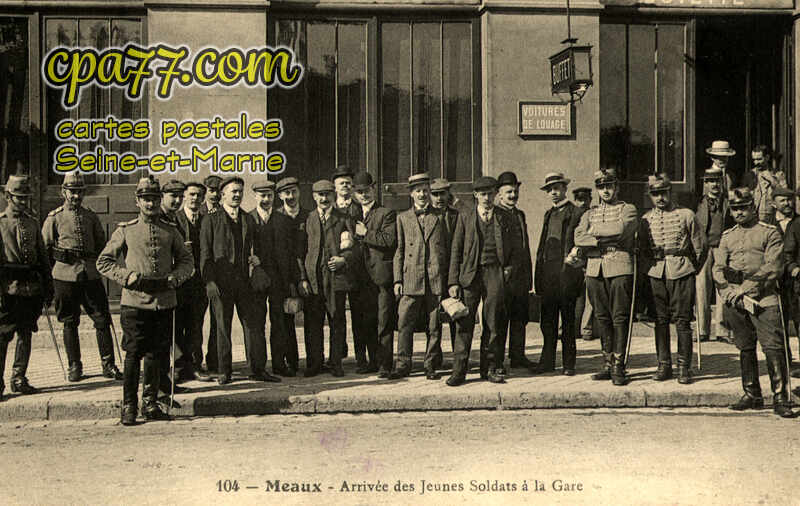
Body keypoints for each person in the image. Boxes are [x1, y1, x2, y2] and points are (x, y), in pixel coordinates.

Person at [96, 176, 194, 425]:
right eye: (145, 199)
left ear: (159, 200)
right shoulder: (125, 230)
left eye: (154, 199)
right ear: (137, 201)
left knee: (157, 354)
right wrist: (127, 276)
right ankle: (129, 405)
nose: (150, 204)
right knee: (133, 353)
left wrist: (175, 278)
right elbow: (103, 262)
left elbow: (187, 261)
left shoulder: (170, 230)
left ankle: (150, 402)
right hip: (134, 303)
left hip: (163, 302)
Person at [713, 187, 793, 418]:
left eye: (743, 207)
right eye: (735, 208)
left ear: (753, 207)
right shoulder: (727, 236)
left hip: (764, 299)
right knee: (745, 346)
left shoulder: (769, 233)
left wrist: (745, 289)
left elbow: (773, 267)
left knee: (773, 347)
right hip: (735, 302)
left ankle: (780, 398)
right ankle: (752, 393)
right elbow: (718, 268)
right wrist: (727, 291)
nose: (739, 212)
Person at [41, 172, 122, 383]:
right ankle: (74, 366)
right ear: (64, 192)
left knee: (102, 319)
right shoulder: (54, 218)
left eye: (79, 192)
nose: (75, 196)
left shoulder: (90, 216)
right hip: (64, 275)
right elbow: (44, 249)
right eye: (71, 192)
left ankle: (108, 364)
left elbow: (101, 243)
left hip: (90, 275)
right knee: (69, 321)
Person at [199, 176, 279, 385]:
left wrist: (257, 260)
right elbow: (205, 254)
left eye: (239, 192)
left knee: (252, 326)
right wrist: (209, 282)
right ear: (223, 194)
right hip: (221, 283)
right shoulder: (210, 219)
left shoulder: (247, 219)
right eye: (232, 191)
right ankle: (224, 371)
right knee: (222, 328)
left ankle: (258, 369)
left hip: (245, 283)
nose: (236, 195)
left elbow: (257, 246)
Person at [446, 176, 521, 386]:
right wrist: (453, 282)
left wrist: (508, 270)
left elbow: (517, 249)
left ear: (495, 194)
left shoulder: (505, 217)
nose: (487, 198)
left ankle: (489, 368)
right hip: (470, 274)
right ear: (475, 195)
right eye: (482, 194)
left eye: (490, 193)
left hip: (495, 273)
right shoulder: (465, 217)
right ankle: (458, 371)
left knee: (493, 321)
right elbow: (456, 250)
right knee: (464, 323)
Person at [574, 169, 638, 386]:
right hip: (594, 269)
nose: (605, 190)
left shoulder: (627, 209)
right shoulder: (588, 213)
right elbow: (578, 236)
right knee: (602, 317)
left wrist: (594, 233)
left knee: (619, 316)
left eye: (609, 186)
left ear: (616, 187)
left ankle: (620, 365)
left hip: (619, 267)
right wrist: (599, 239)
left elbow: (621, 229)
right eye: (601, 187)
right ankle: (607, 364)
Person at [640, 174, 705, 384]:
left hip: (681, 271)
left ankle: (684, 367)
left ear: (670, 192)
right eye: (655, 194)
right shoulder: (646, 219)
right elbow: (642, 250)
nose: (660, 198)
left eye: (663, 193)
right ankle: (664, 365)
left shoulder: (686, 215)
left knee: (683, 321)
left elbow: (700, 248)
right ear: (650, 196)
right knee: (660, 320)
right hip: (656, 272)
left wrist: (692, 269)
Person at [391, 173, 449, 380]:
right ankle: (403, 364)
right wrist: (398, 279)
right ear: (411, 194)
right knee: (404, 323)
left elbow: (448, 250)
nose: (422, 194)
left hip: (434, 279)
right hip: (411, 279)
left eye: (425, 190)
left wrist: (448, 280)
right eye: (418, 191)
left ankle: (431, 364)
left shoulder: (440, 217)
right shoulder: (403, 218)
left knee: (434, 326)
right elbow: (399, 250)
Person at [0, 175, 53, 399]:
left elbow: (42, 258)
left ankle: (19, 377)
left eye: (25, 198)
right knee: (3, 336)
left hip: (31, 289)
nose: (23, 202)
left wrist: (48, 287)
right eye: (18, 198)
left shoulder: (32, 222)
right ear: (7, 196)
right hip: (7, 289)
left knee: (26, 333)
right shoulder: (1, 223)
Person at [299, 179, 358, 377]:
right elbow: (299, 252)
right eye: (320, 195)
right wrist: (303, 278)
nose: (324, 198)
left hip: (336, 278)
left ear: (333, 195)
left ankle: (335, 363)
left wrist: (343, 259)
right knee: (313, 322)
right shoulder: (307, 219)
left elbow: (355, 247)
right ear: (314, 197)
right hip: (313, 278)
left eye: (327, 194)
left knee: (337, 320)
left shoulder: (344, 218)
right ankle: (315, 363)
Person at [533, 172, 584, 376]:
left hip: (567, 273)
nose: (553, 193)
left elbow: (581, 239)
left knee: (568, 320)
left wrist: (576, 253)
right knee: (548, 322)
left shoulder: (575, 212)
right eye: (550, 190)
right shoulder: (548, 214)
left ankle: (569, 364)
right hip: (549, 274)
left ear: (564, 189)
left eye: (557, 188)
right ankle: (547, 362)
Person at [248, 180, 300, 377]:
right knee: (257, 323)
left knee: (279, 322)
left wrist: (290, 280)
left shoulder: (282, 220)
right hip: (258, 279)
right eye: (262, 196)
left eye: (269, 195)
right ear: (255, 197)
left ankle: (279, 364)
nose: (266, 199)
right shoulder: (249, 219)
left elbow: (289, 252)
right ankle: (258, 367)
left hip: (279, 279)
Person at [352, 171, 395, 375]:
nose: (364, 195)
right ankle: (371, 361)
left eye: (367, 190)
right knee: (366, 321)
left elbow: (389, 240)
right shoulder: (352, 213)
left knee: (383, 320)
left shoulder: (386, 213)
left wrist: (365, 234)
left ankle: (385, 364)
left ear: (373, 189)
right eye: (359, 192)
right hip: (361, 277)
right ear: (355, 194)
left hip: (380, 275)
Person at [495, 171, 536, 370]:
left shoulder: (520, 214)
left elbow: (525, 246)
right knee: (501, 320)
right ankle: (497, 360)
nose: (513, 195)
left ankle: (517, 356)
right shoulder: (496, 215)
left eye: (515, 191)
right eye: (508, 192)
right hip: (503, 276)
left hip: (520, 276)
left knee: (520, 317)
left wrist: (528, 275)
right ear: (499, 195)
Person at [173, 181, 213, 382]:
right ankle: (180, 366)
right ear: (184, 196)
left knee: (196, 324)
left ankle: (196, 365)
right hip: (180, 282)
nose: (195, 198)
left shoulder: (207, 219)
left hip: (200, 282)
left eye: (199, 195)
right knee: (178, 324)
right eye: (191, 194)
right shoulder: (175, 219)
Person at [157, 180, 193, 394]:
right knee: (161, 337)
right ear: (163, 196)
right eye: (173, 196)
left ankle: (167, 381)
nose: (177, 200)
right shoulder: (159, 218)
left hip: (173, 285)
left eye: (180, 196)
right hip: (158, 286)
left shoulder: (173, 219)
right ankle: (160, 385)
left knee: (170, 333)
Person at [695, 167, 735, 344]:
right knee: (702, 287)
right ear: (705, 184)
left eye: (717, 181)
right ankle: (702, 330)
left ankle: (723, 330)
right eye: (710, 182)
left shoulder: (728, 202)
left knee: (723, 286)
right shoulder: (697, 202)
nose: (714, 185)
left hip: (722, 248)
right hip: (703, 249)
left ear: (722, 183)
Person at [275, 176, 310, 373]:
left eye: (294, 192)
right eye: (286, 193)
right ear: (280, 196)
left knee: (312, 318)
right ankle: (291, 361)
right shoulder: (277, 217)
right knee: (285, 319)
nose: (290, 196)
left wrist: (304, 277)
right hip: (285, 275)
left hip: (309, 274)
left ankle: (315, 360)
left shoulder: (308, 216)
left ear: (299, 192)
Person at [428, 178, 460, 369]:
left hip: (453, 271)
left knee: (457, 314)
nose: (439, 198)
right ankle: (435, 357)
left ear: (449, 195)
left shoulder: (458, 216)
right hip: (433, 274)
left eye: (443, 194)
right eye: (435, 194)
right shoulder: (426, 216)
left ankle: (458, 357)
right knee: (433, 318)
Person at [332, 165, 360, 363]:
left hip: (356, 269)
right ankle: (338, 355)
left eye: (348, 184)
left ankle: (361, 358)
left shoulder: (359, 208)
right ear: (335, 187)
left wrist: (347, 258)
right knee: (337, 314)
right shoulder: (328, 207)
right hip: (335, 271)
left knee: (359, 315)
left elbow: (362, 240)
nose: (345, 186)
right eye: (341, 183)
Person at [776, 187, 800, 377]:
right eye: (782, 200)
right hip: (777, 280)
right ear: (774, 203)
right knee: (779, 320)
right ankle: (785, 360)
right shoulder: (767, 224)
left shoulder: (798, 222)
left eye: (789, 200)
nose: (787, 204)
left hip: (795, 280)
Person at [200, 174, 222, 373]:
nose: (215, 195)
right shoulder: (198, 212)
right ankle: (193, 362)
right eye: (211, 190)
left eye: (218, 191)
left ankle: (214, 360)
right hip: (198, 276)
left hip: (219, 275)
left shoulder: (225, 213)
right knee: (196, 321)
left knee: (217, 320)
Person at [741, 145, 787, 225]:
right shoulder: (748, 175)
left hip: (772, 219)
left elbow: (785, 195)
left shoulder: (779, 175)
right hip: (753, 220)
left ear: (767, 157)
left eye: (759, 159)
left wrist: (772, 180)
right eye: (754, 159)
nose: (756, 163)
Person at [572, 186, 595, 341]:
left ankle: (586, 329)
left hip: (589, 259)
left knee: (589, 297)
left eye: (585, 199)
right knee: (574, 296)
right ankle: (571, 328)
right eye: (579, 200)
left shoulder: (593, 215)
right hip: (573, 261)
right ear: (575, 200)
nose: (582, 203)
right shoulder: (572, 215)